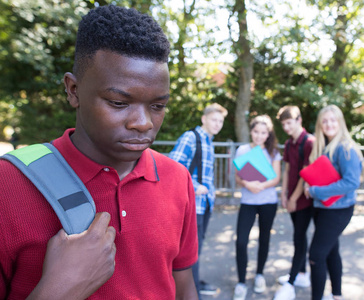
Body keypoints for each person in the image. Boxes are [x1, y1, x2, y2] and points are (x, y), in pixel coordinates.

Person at [0, 5, 199, 299]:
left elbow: (183, 285)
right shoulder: (8, 184)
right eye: (119, 103)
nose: (143, 123)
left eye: (157, 106)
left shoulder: (176, 178)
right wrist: (58, 289)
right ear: (73, 90)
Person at [304, 105, 363, 300]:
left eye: (333, 120)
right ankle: (337, 295)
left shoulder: (345, 148)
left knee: (316, 256)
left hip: (338, 210)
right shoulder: (325, 147)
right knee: (331, 251)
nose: (329, 124)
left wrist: (315, 191)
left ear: (340, 122)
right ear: (320, 124)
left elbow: (351, 182)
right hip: (324, 208)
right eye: (324, 120)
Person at [169, 103, 228, 298]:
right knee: (189, 250)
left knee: (195, 248)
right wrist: (195, 187)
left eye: (220, 121)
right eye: (214, 119)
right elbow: (174, 168)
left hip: (205, 204)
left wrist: (211, 192)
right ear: (204, 119)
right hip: (191, 205)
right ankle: (190, 292)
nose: (217, 124)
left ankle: (193, 283)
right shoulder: (191, 138)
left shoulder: (208, 141)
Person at [233, 115, 282, 300]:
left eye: (263, 132)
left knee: (264, 239)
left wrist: (260, 186)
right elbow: (238, 177)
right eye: (256, 131)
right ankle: (241, 282)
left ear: (268, 134)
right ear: (251, 131)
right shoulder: (242, 150)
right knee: (241, 242)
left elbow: (276, 178)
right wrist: (247, 184)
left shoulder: (273, 152)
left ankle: (260, 274)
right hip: (248, 202)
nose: (259, 135)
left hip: (268, 202)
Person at [274, 106, 315, 300]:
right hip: (291, 197)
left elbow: (306, 175)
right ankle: (303, 275)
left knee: (299, 239)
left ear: (299, 120)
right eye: (283, 124)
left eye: (289, 122)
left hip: (304, 200)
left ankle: (290, 283)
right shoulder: (289, 143)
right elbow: (288, 169)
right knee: (300, 237)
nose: (286, 127)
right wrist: (283, 194)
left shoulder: (309, 142)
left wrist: (293, 198)